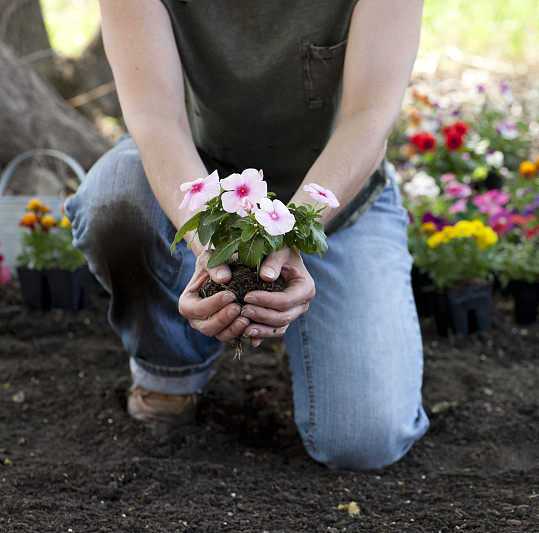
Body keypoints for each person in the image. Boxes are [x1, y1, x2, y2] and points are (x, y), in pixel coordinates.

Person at [65, 0, 428, 471]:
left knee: (364, 440)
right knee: (114, 199)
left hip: (337, 193)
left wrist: (295, 234)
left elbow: (369, 116)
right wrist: (209, 249)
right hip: (203, 174)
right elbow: (157, 120)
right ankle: (170, 371)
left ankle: (302, 332)